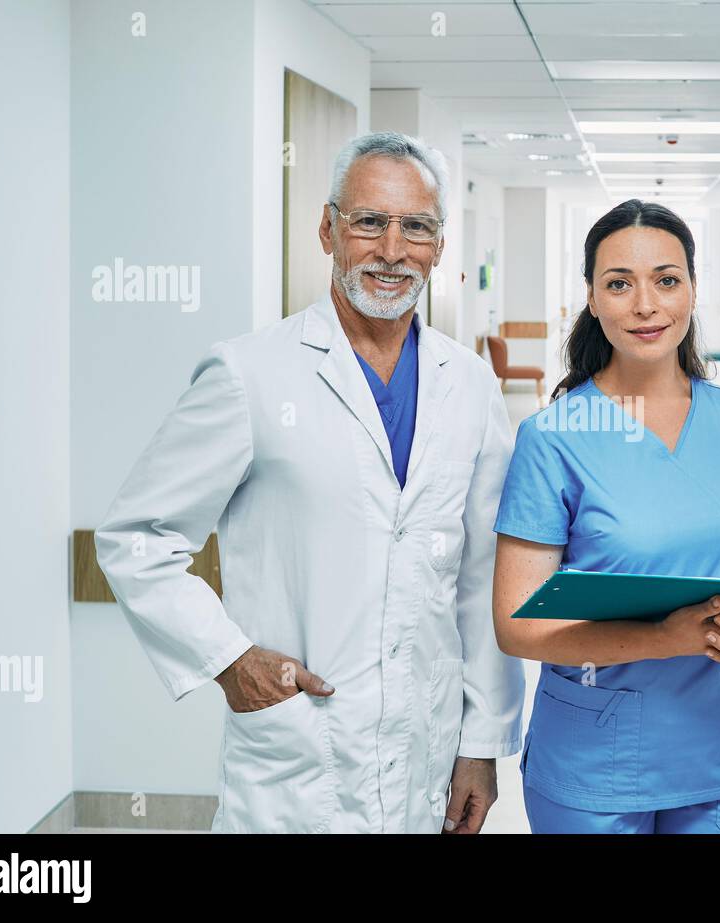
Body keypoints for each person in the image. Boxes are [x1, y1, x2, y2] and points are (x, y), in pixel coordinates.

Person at [96, 131, 524, 834]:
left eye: (415, 227)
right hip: (299, 763)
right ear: (327, 229)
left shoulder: (470, 385)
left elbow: (482, 576)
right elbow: (136, 537)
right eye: (369, 222)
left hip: (427, 757)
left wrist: (480, 744)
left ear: (440, 246)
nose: (392, 250)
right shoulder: (250, 374)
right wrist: (229, 658)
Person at [491, 199, 720, 834]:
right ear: (592, 301)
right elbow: (517, 625)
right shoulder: (554, 437)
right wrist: (666, 638)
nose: (646, 305)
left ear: (691, 289)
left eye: (666, 279)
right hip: (595, 763)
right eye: (619, 284)